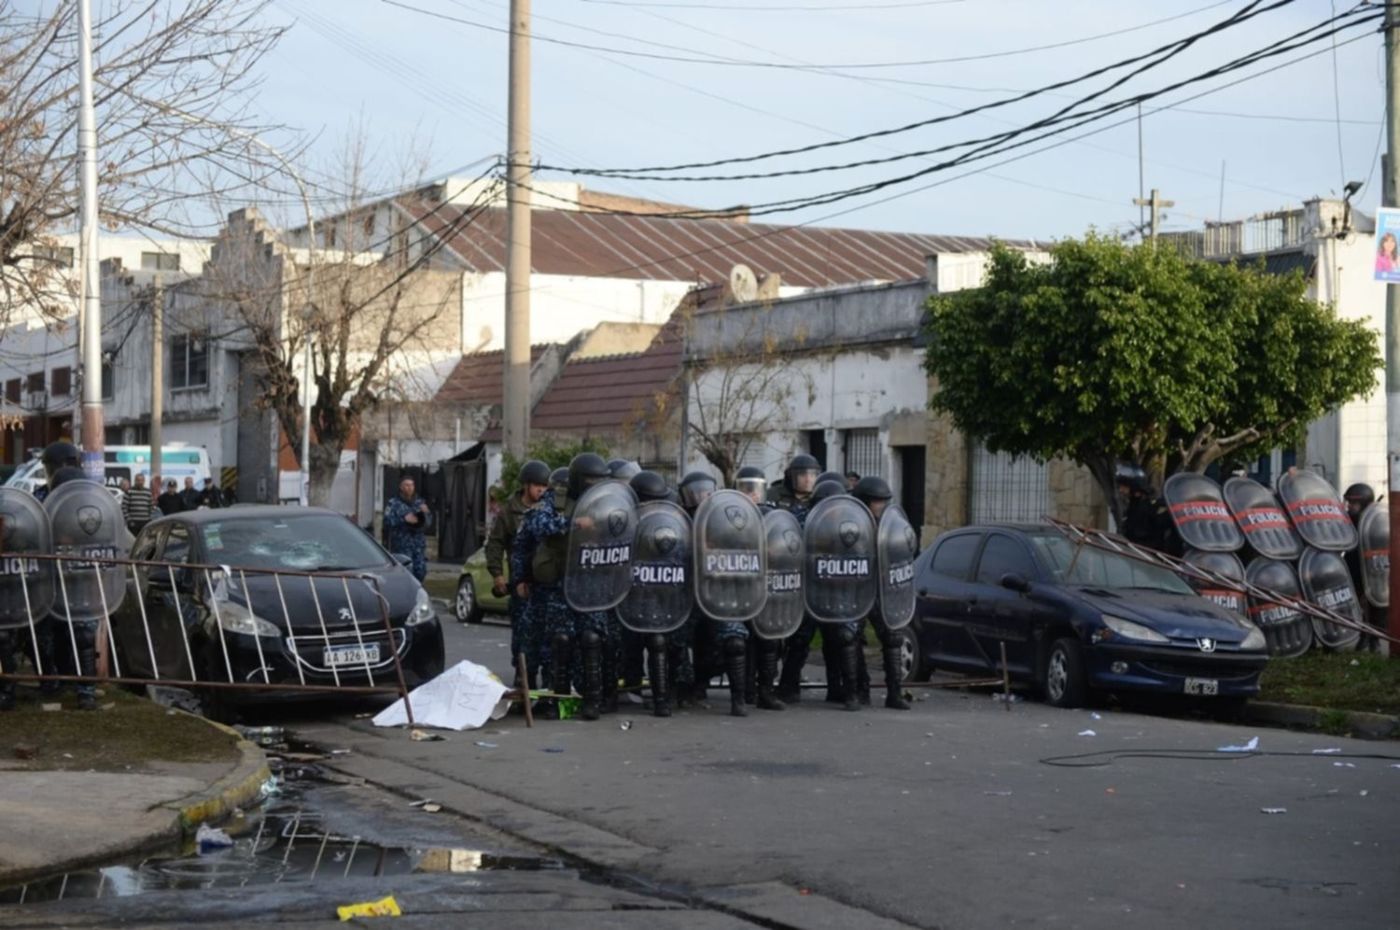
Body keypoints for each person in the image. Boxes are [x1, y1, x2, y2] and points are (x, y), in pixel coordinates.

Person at [512, 454, 614, 720]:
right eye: (591, 480)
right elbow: (537, 526)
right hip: (559, 583)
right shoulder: (554, 500)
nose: (595, 485)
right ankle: (558, 700)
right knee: (560, 640)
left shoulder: (607, 502)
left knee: (592, 638)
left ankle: (593, 699)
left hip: (591, 581)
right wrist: (573, 525)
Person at [486, 460, 551, 683]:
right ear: (526, 486)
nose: (541, 490)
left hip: (546, 584)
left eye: (544, 486)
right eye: (536, 486)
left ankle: (547, 688)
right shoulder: (510, 512)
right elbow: (494, 544)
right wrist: (497, 574)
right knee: (523, 637)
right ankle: (524, 681)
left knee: (547, 638)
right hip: (521, 584)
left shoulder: (549, 510)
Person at [852, 476, 911, 711]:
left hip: (882, 591)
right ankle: (859, 689)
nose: (882, 506)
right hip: (856, 591)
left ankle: (894, 693)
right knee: (851, 638)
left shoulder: (890, 525)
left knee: (893, 638)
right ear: (865, 503)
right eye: (877, 502)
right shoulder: (852, 524)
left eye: (884, 502)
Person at [384, 477, 431, 582]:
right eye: (407, 485)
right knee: (405, 573)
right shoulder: (393, 504)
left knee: (420, 572)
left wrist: (426, 514)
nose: (410, 488)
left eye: (412, 485)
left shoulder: (419, 503)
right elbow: (387, 521)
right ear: (401, 487)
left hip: (418, 545)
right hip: (402, 546)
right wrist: (403, 519)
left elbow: (428, 523)